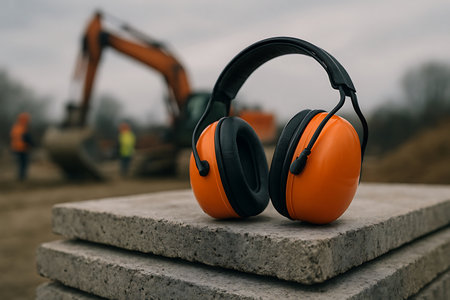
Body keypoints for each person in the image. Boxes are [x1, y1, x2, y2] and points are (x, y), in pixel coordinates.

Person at [10, 112, 34, 181]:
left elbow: (12, 137)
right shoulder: (23, 128)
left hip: (16, 148)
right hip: (22, 148)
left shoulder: (16, 127)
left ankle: (20, 176)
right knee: (24, 163)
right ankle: (22, 177)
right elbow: (27, 138)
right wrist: (32, 144)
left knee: (20, 163)